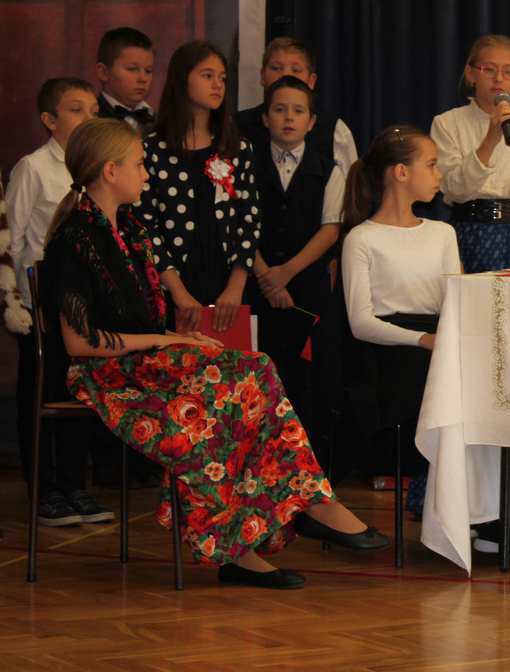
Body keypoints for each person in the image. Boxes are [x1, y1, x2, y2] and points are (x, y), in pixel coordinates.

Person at [41, 118, 388, 589]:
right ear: (110, 170)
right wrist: (168, 341)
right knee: (221, 396)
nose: (146, 174)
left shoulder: (130, 230)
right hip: (109, 377)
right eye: (139, 165)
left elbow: (145, 324)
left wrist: (179, 339)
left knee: (254, 368)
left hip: (147, 364)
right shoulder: (76, 239)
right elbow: (80, 344)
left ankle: (299, 505)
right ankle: (274, 522)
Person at [342, 125, 510, 556]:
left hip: (437, 345)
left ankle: (496, 514)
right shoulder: (362, 238)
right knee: (462, 390)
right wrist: (423, 340)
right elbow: (360, 323)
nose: (439, 174)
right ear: (400, 173)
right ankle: (475, 519)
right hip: (393, 358)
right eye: (431, 165)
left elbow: (456, 297)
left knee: (494, 382)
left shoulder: (441, 232)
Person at [7, 77, 110, 526]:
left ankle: (73, 484)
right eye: (76, 109)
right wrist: (22, 302)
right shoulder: (32, 168)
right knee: (41, 393)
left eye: (94, 110)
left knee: (79, 392)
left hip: (82, 305)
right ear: (49, 120)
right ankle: (43, 487)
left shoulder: (95, 169)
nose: (88, 118)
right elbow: (13, 242)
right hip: (41, 306)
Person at [137, 40, 259, 334]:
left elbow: (249, 219)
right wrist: (178, 292)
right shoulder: (152, 149)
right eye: (207, 75)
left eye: (223, 78)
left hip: (226, 286)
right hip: (171, 286)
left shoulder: (237, 147)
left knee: (230, 363)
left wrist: (236, 286)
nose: (218, 85)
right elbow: (145, 227)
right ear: (182, 79)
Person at [248, 75, 342, 442]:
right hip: (257, 287)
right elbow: (239, 226)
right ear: (265, 117)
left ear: (312, 121)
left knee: (306, 380)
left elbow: (330, 229)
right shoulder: (247, 166)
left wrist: (286, 273)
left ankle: (304, 457)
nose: (289, 117)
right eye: (280, 109)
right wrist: (267, 278)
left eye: (298, 111)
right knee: (260, 375)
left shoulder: (329, 169)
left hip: (306, 290)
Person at [431, 33, 510, 272]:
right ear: (471, 74)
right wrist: (490, 140)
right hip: (468, 233)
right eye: (489, 69)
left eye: (508, 71)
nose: (498, 78)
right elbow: (453, 188)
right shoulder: (447, 124)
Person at [233, 37, 358, 176]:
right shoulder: (237, 126)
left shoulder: (334, 131)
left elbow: (352, 185)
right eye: (276, 68)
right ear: (262, 75)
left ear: (311, 81)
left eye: (296, 70)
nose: (285, 75)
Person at [95, 27, 156, 132]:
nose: (143, 79)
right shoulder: (93, 118)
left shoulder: (157, 120)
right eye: (132, 69)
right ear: (103, 72)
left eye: (148, 71)